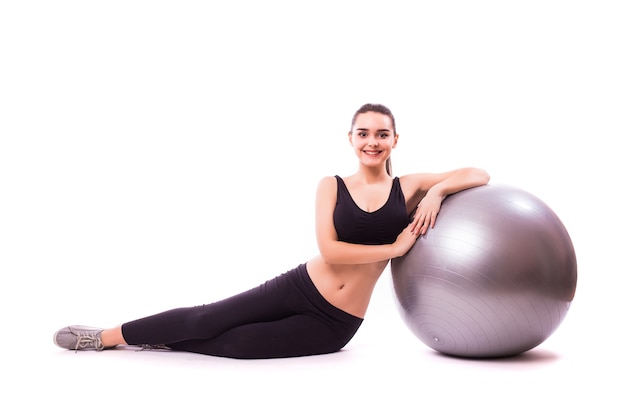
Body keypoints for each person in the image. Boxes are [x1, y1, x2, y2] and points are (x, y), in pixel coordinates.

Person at [53, 103, 490, 359]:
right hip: (300, 286)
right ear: (350, 139)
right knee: (207, 317)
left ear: (395, 140)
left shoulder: (408, 186)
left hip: (338, 322)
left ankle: (165, 341)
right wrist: (394, 246)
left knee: (238, 346)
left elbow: (478, 172)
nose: (371, 141)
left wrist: (436, 193)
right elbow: (331, 250)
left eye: (381, 134)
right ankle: (106, 337)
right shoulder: (331, 186)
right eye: (363, 133)